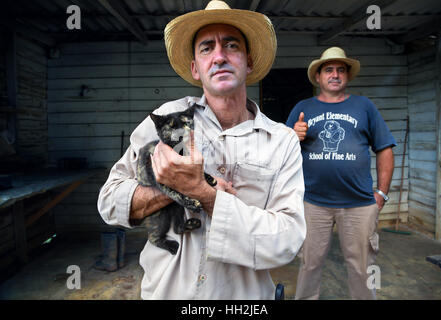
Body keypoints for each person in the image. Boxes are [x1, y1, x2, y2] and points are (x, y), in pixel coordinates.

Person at [98, 0, 306, 300]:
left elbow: (287, 241)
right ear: (196, 69)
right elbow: (108, 202)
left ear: (248, 62)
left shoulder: (281, 140)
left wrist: (205, 195)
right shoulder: (168, 120)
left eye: (231, 45)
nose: (219, 56)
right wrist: (175, 189)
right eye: (207, 47)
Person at [286, 47, 396, 300]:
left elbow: (385, 148)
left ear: (347, 75)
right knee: (309, 264)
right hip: (313, 202)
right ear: (318, 76)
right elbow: (280, 151)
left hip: (359, 204)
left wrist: (381, 193)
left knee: (361, 268)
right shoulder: (303, 107)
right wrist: (293, 136)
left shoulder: (364, 106)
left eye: (340, 70)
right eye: (329, 70)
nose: (335, 74)